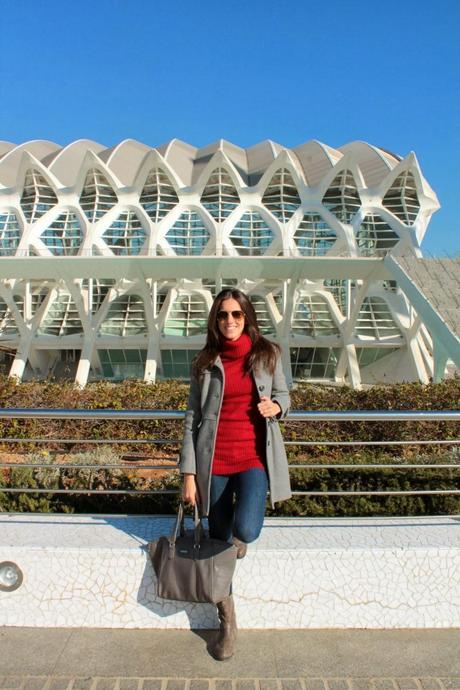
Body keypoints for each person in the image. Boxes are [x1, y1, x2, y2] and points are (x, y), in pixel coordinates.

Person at [179, 288, 291, 660]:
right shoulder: (204, 361)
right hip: (214, 462)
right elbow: (192, 418)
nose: (229, 321)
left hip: (253, 458)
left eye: (236, 315)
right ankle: (227, 620)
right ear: (215, 320)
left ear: (247, 318)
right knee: (217, 541)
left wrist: (276, 405)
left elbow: (285, 395)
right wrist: (189, 474)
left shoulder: (267, 354)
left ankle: (232, 550)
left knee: (247, 530)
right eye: (223, 315)